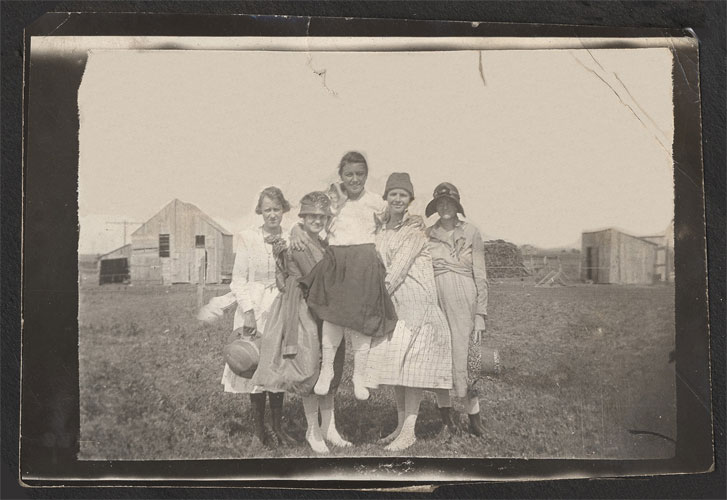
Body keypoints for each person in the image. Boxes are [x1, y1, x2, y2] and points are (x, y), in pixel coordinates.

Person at [251, 191, 350, 454]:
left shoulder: (322, 243)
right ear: (302, 217)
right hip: (305, 309)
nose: (317, 220)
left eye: (322, 216)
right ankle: (312, 430)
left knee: (331, 365)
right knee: (310, 367)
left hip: (325, 309)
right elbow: (304, 276)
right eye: (311, 216)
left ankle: (329, 425)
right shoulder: (298, 243)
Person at [295, 152, 398, 401]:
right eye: (349, 174)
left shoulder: (376, 202)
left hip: (364, 263)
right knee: (333, 315)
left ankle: (359, 376)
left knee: (361, 320)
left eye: (360, 174)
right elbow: (308, 215)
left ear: (366, 175)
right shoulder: (331, 200)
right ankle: (327, 370)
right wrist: (295, 228)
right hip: (337, 261)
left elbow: (395, 221)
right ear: (340, 175)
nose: (355, 179)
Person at [365, 173, 453, 451]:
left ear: (410, 200)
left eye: (404, 195)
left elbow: (397, 271)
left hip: (418, 305)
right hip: (396, 306)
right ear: (386, 197)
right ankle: (400, 426)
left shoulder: (414, 232)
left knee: (412, 370)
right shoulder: (380, 229)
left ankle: (409, 432)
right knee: (398, 369)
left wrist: (372, 301)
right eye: (394, 194)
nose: (398, 199)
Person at [222, 186, 297, 447]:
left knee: (276, 369)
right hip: (254, 306)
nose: (272, 214)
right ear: (260, 212)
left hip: (280, 305)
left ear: (284, 210)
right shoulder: (248, 238)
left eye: (277, 209)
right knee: (253, 367)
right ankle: (258, 431)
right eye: (267, 210)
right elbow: (238, 280)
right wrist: (249, 313)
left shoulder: (290, 238)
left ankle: (277, 427)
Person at [425, 182, 489, 437]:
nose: (445, 207)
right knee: (440, 358)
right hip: (437, 299)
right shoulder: (427, 234)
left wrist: (480, 314)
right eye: (440, 203)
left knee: (467, 359)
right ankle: (446, 421)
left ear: (457, 205)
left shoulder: (472, 232)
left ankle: (475, 421)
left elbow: (481, 274)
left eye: (449, 203)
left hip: (466, 300)